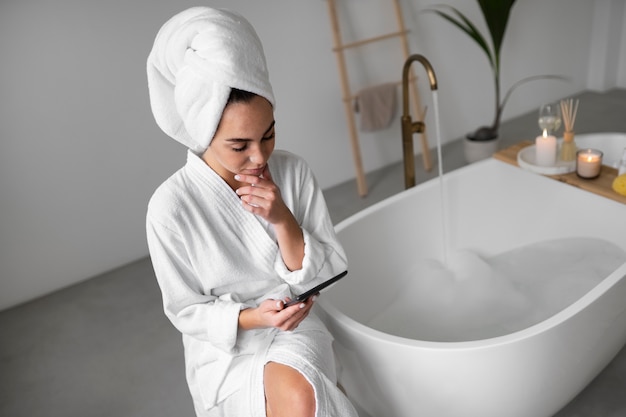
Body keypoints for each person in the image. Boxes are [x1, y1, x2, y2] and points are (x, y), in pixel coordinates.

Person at [145, 7, 358, 417]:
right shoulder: (170, 206)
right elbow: (185, 309)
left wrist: (282, 218)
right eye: (239, 146)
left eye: (269, 134)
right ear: (201, 133)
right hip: (223, 348)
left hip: (295, 327)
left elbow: (325, 272)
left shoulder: (293, 172)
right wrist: (251, 318)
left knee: (300, 399)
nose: (260, 156)